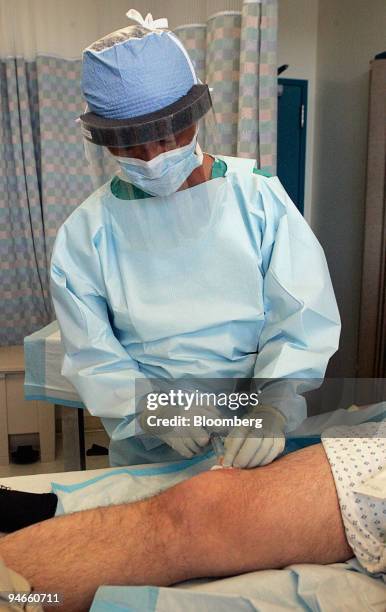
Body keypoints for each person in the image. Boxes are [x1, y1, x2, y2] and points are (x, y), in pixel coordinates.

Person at [50, 9, 341, 468]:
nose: (150, 158)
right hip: (150, 450)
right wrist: (148, 407)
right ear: (103, 138)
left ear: (193, 113)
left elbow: (303, 315)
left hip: (255, 436)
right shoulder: (87, 233)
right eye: (129, 144)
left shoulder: (257, 198)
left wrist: (275, 403)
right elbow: (91, 352)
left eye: (165, 137)